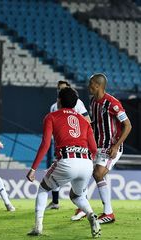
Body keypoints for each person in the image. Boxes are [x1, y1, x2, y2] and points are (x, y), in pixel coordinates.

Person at [26, 87, 101, 238]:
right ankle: (91, 214)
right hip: (86, 162)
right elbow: (93, 148)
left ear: (59, 100)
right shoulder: (84, 121)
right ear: (75, 103)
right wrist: (88, 164)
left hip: (67, 159)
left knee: (43, 188)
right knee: (77, 196)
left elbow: (46, 144)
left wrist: (33, 168)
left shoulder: (51, 116)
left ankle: (38, 227)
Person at [71, 73, 132, 224]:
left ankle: (108, 213)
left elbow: (128, 125)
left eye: (90, 83)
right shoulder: (93, 101)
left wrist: (116, 146)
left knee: (98, 174)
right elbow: (96, 123)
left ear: (98, 85)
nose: (88, 86)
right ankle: (84, 208)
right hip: (97, 145)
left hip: (112, 146)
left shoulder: (113, 103)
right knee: (87, 173)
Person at [46, 80, 91, 211]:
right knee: (55, 172)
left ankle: (82, 206)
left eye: (64, 88)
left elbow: (88, 121)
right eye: (59, 89)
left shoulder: (77, 103)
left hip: (77, 145)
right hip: (60, 145)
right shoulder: (53, 107)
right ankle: (55, 202)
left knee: (77, 176)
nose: (61, 91)